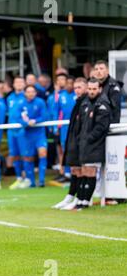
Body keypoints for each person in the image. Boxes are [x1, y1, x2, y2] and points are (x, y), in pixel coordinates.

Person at [53, 77, 89, 210]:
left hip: (82, 139)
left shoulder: (86, 102)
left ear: (86, 87)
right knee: (74, 168)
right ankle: (70, 196)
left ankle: (81, 199)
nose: (77, 90)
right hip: (72, 136)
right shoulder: (77, 101)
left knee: (81, 169)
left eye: (79, 87)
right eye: (75, 88)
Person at [75, 79, 111, 210]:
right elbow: (81, 125)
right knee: (84, 171)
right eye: (89, 89)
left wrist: (89, 138)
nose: (91, 91)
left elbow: (101, 127)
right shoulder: (85, 104)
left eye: (94, 89)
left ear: (99, 89)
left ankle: (85, 202)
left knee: (90, 172)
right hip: (85, 144)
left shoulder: (102, 105)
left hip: (95, 145)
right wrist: (80, 138)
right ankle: (81, 200)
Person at [15, 85, 48, 187]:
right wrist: (26, 123)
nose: (30, 94)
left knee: (42, 153)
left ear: (35, 92)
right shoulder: (21, 104)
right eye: (28, 92)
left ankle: (42, 180)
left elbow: (45, 115)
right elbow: (17, 118)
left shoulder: (40, 102)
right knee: (28, 158)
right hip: (27, 134)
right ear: (25, 93)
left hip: (39, 133)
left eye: (32, 91)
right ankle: (31, 181)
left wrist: (36, 121)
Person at [7, 76, 27, 189]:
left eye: (21, 82)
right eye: (17, 82)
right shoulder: (9, 98)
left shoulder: (26, 97)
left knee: (25, 154)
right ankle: (19, 178)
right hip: (11, 130)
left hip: (23, 130)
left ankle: (27, 178)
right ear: (13, 84)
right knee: (14, 155)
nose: (19, 84)